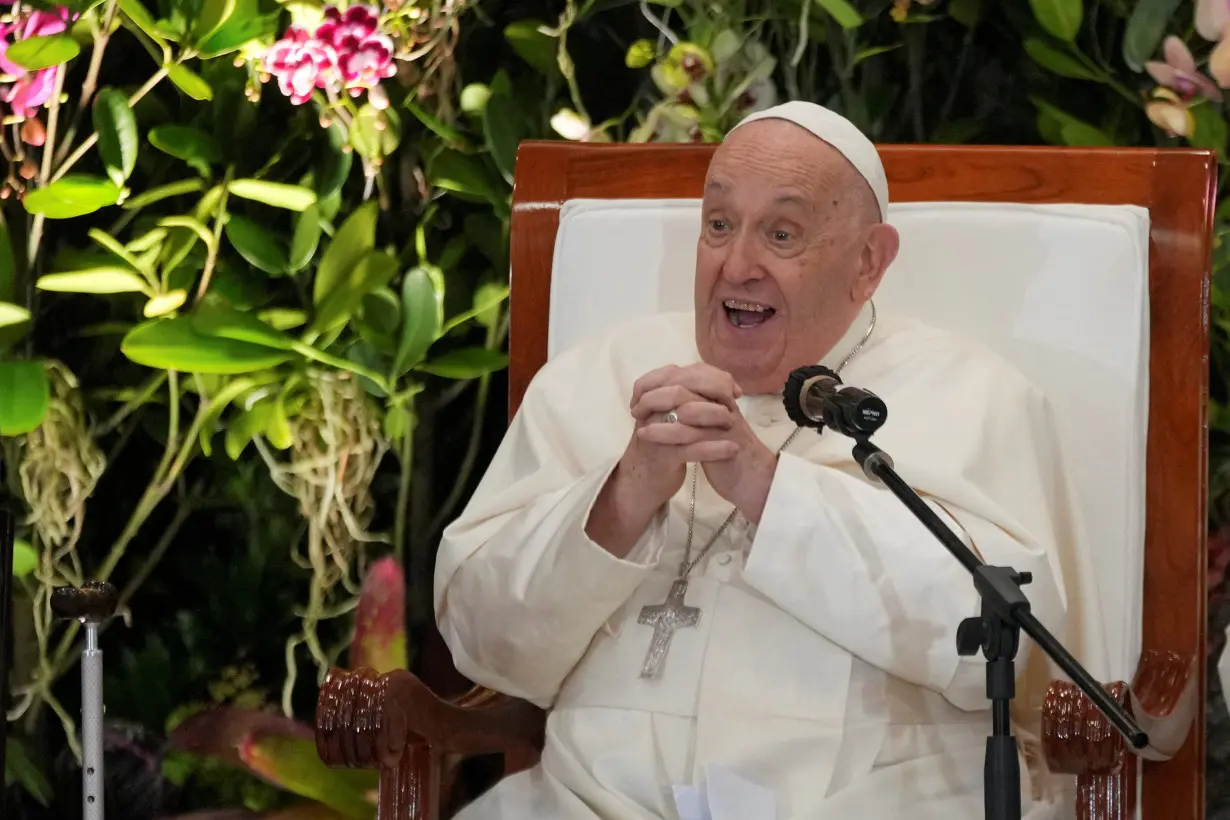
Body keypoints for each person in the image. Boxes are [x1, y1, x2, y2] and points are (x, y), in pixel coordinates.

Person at [433, 101, 1106, 819]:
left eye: (781, 233)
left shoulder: (974, 396)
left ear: (868, 262)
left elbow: (1000, 651)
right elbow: (483, 642)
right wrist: (622, 498)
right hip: (586, 802)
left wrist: (767, 486)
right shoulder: (596, 377)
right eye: (719, 225)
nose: (737, 265)